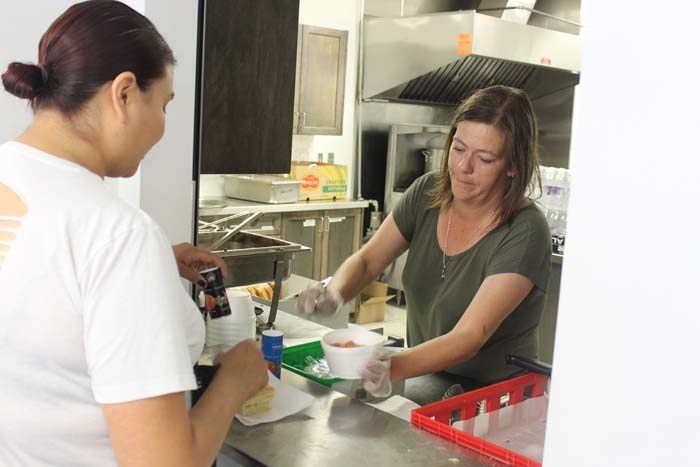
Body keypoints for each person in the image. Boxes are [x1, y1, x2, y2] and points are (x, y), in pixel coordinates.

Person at [0, 2, 268, 466]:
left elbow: (33, 278)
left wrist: (155, 263)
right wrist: (236, 380)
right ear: (124, 93)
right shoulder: (117, 235)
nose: (163, 126)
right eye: (163, 104)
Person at [300, 85, 552, 404]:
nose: (463, 167)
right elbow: (367, 262)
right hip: (429, 378)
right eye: (458, 149)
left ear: (512, 166)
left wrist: (390, 366)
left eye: (485, 158)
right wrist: (335, 292)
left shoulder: (525, 230)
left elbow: (469, 337)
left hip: (497, 399)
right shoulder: (427, 193)